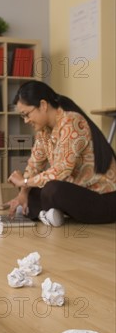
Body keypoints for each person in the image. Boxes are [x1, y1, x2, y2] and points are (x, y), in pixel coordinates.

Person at [7, 80, 116, 226]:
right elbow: (34, 165)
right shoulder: (43, 130)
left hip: (104, 199)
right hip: (79, 194)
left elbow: (61, 171)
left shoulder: (72, 121)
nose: (26, 121)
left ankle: (45, 214)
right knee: (33, 192)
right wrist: (23, 193)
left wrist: (24, 182)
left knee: (52, 189)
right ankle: (48, 214)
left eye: (26, 114)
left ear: (43, 105)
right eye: (23, 116)